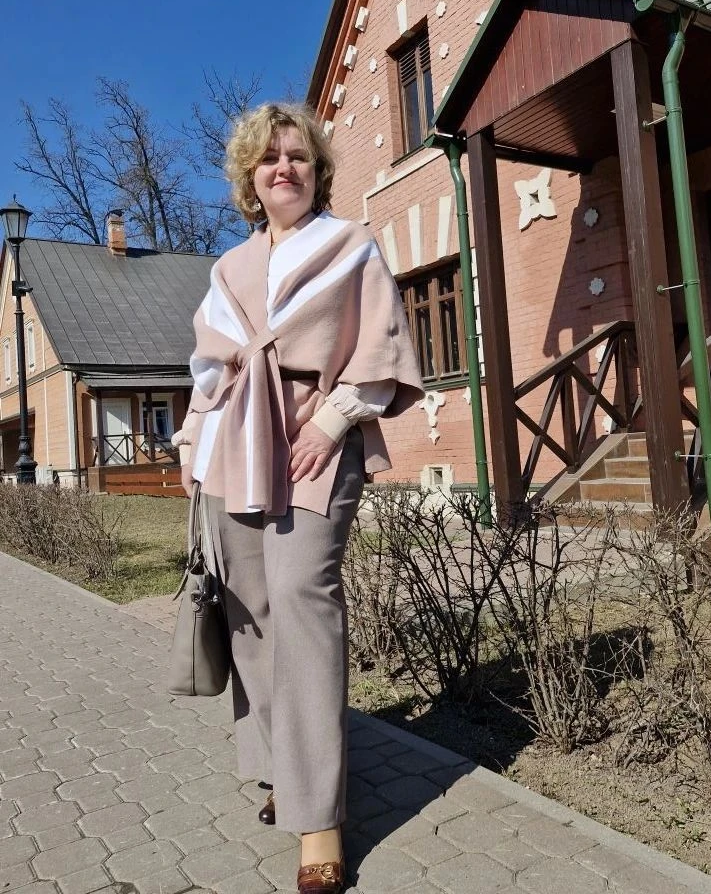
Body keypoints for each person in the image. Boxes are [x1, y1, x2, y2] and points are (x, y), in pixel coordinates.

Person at [174, 102, 423, 893]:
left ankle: (319, 818)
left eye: (299, 157)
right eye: (269, 158)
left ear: (318, 171)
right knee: (250, 612)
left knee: (301, 601)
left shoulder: (351, 247)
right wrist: (190, 445)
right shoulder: (228, 270)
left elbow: (381, 345)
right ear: (250, 178)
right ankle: (283, 770)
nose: (284, 168)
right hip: (232, 447)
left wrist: (333, 420)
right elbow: (209, 372)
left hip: (317, 441)